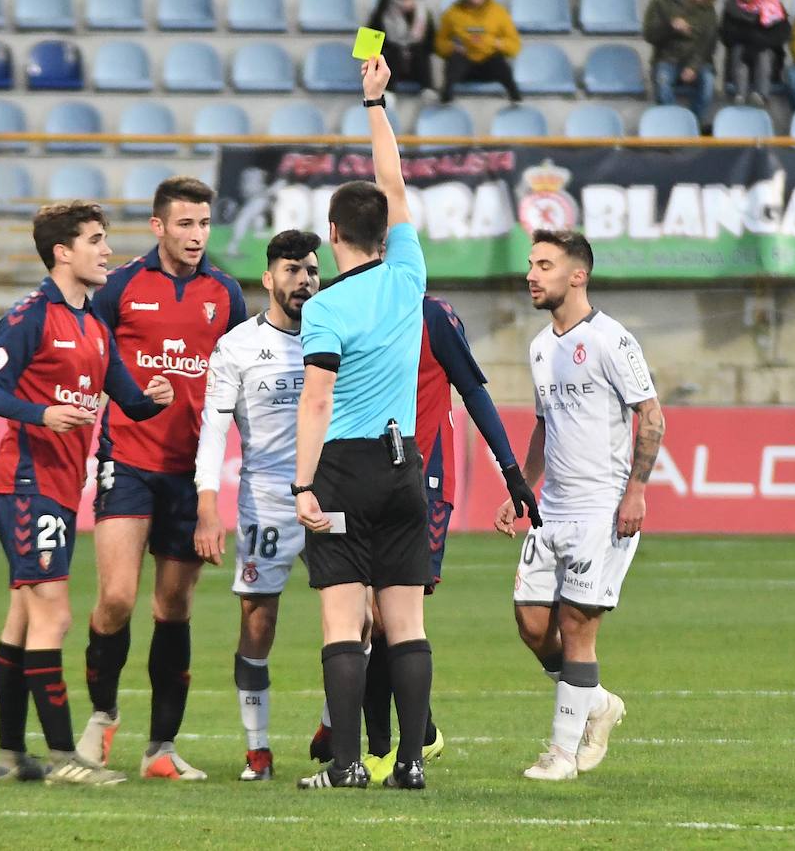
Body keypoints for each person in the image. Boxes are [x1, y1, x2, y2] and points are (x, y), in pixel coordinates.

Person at [0, 202, 173, 786]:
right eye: (96, 240)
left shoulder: (94, 326)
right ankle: (64, 756)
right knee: (54, 615)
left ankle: (13, 755)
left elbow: (128, 400)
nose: (107, 251)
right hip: (25, 482)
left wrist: (152, 397)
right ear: (63, 252)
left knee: (23, 618)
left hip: (61, 487)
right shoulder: (30, 316)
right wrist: (41, 412)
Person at [308, 291, 542, 780]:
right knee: (368, 616)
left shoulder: (431, 315)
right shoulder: (350, 307)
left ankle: (394, 745)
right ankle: (398, 741)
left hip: (423, 481)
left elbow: (473, 390)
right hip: (360, 478)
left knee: (386, 614)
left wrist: (511, 473)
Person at [77, 177, 247, 782]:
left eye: (204, 224)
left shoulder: (225, 295)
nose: (197, 235)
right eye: (185, 224)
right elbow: (84, 353)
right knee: (117, 598)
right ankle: (101, 715)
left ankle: (160, 749)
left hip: (189, 473)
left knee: (173, 606)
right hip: (127, 459)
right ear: (158, 227)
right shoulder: (121, 285)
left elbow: (241, 376)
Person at [292, 55, 432, 791]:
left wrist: (302, 483)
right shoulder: (408, 273)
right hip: (405, 463)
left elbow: (316, 401)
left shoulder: (325, 306)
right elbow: (396, 186)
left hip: (345, 466)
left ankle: (346, 764)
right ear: (383, 230)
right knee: (406, 623)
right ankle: (409, 762)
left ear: (332, 232)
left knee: (342, 621)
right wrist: (376, 104)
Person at [496, 229, 666, 782]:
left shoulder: (611, 340)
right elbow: (546, 424)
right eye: (530, 264)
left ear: (578, 274)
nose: (531, 275)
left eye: (544, 265)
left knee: (576, 625)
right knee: (530, 624)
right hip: (551, 508)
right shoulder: (541, 346)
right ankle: (595, 703)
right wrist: (521, 487)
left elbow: (653, 417)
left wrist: (635, 491)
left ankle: (563, 755)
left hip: (601, 511)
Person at [193, 229, 322, 782]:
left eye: (312, 270)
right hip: (266, 499)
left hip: (328, 495)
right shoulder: (237, 346)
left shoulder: (334, 335)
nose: (304, 280)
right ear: (269, 278)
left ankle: (334, 721)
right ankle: (258, 747)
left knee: (360, 617)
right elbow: (214, 429)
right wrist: (207, 504)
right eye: (292, 270)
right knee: (257, 620)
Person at [643, 0, 718, 125]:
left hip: (699, 62)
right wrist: (670, 27)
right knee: (662, 81)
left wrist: (693, 66)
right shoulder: (659, 4)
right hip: (667, 60)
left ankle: (693, 124)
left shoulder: (708, 9)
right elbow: (649, 35)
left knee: (708, 82)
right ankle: (674, 125)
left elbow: (709, 43)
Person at [435, 0, 522, 104]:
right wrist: (453, 47)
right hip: (464, 65)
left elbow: (514, 45)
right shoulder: (453, 13)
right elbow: (439, 43)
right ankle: (446, 99)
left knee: (499, 62)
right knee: (454, 60)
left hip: (489, 64)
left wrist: (497, 43)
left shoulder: (499, 12)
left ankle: (516, 98)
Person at [720, 0, 790, 106]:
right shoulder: (731, 7)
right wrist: (752, 37)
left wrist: (757, 41)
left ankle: (761, 95)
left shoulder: (774, 6)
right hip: (740, 54)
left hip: (768, 58)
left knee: (763, 52)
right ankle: (740, 95)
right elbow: (726, 34)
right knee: (739, 49)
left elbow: (782, 33)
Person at [367, 0, 437, 100]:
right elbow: (366, 49)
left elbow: (431, 44)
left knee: (419, 50)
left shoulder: (424, 12)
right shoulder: (381, 12)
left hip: (417, 66)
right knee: (393, 51)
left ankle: (427, 89)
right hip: (391, 67)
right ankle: (387, 92)